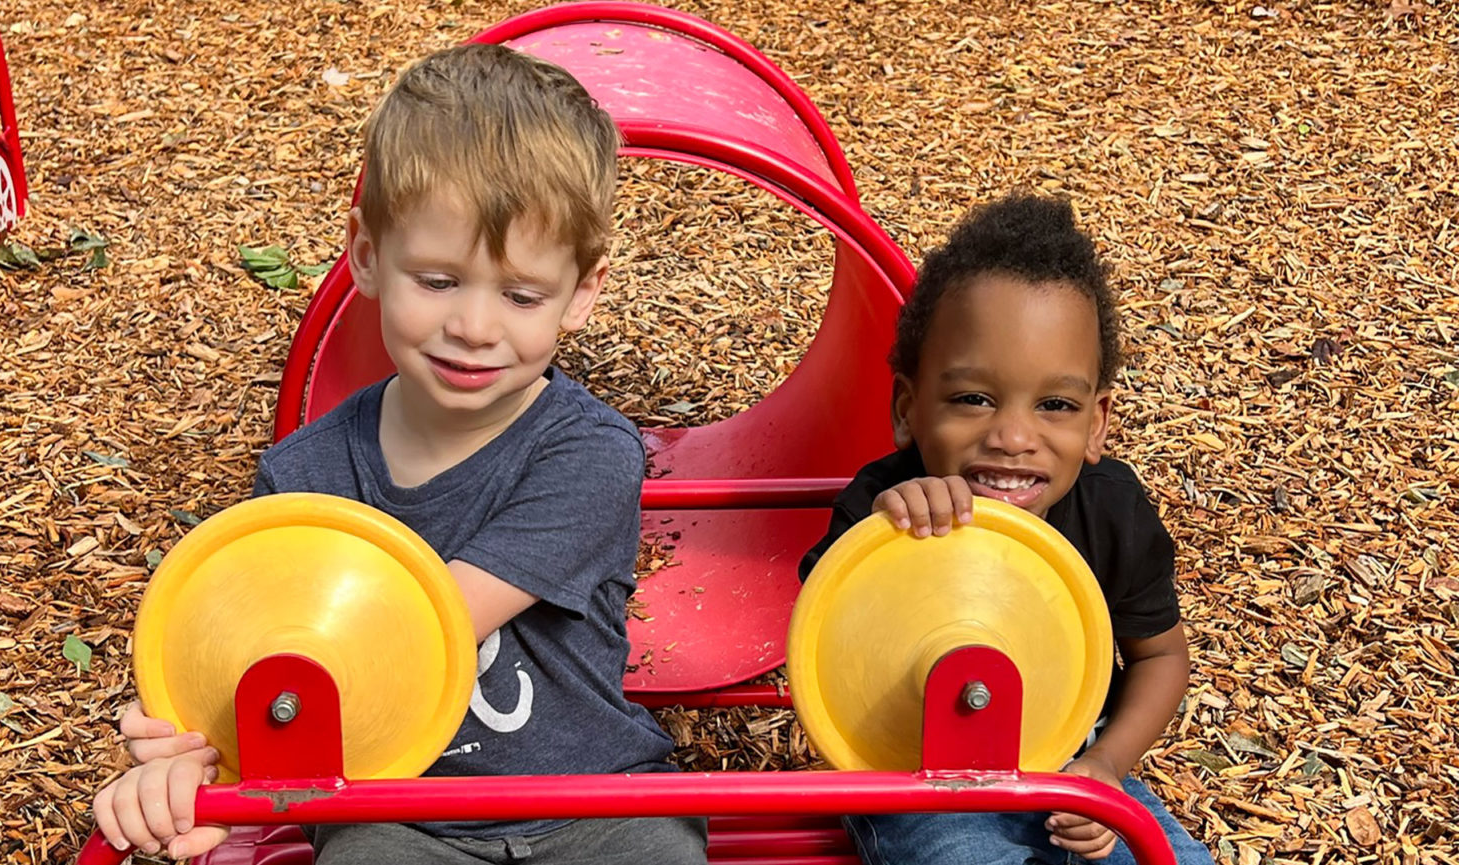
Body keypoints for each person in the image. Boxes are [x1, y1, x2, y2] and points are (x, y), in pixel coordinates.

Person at [91, 43, 708, 865]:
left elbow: (414, 627)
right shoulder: (304, 479)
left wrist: (231, 725)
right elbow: (265, 657)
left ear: (581, 294)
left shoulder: (588, 453)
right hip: (394, 818)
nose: (476, 327)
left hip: (594, 802)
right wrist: (196, 758)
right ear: (369, 254)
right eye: (439, 280)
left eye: (521, 295)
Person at [799, 193, 1212, 865]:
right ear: (909, 409)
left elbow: (1161, 655)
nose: (1014, 436)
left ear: (1097, 422)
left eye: (1055, 404)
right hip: (913, 778)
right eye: (973, 398)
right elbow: (819, 647)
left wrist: (1107, 763)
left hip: (1069, 765)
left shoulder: (1109, 510)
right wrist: (881, 549)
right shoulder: (885, 507)